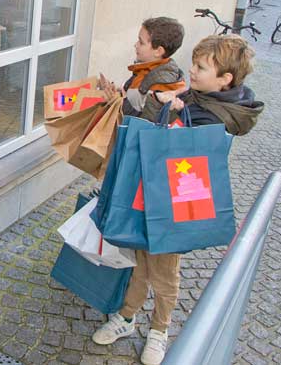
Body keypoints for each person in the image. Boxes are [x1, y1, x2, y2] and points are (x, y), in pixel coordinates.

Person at [92, 34, 264, 365]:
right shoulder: (200, 98)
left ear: (225, 79)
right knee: (142, 259)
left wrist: (176, 114)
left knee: (165, 273)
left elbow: (190, 146)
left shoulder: (216, 113)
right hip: (158, 192)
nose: (193, 70)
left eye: (201, 67)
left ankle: (159, 330)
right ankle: (127, 317)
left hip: (177, 204)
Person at [100, 16, 187, 115]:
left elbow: (145, 119)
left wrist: (117, 101)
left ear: (158, 51)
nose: (136, 45)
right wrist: (117, 93)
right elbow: (135, 100)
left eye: (141, 42)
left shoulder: (163, 84)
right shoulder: (146, 69)